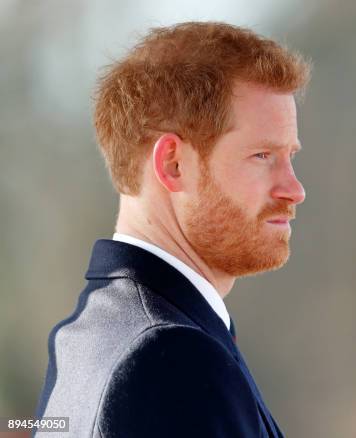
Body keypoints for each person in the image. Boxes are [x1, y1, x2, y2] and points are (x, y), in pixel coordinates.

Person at [35, 21, 311, 437]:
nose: (295, 189)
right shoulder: (172, 358)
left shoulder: (83, 339)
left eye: (290, 156)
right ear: (173, 164)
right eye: (262, 155)